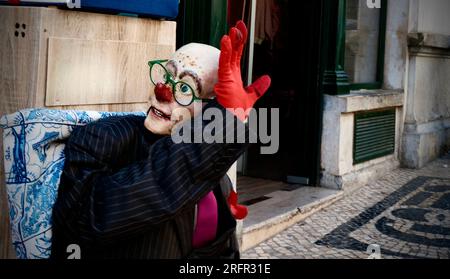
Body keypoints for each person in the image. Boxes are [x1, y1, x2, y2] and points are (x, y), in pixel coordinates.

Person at [50, 21, 271, 259]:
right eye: (166, 74)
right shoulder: (100, 139)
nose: (163, 91)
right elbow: (87, 223)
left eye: (186, 88)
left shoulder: (216, 179)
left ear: (210, 114)